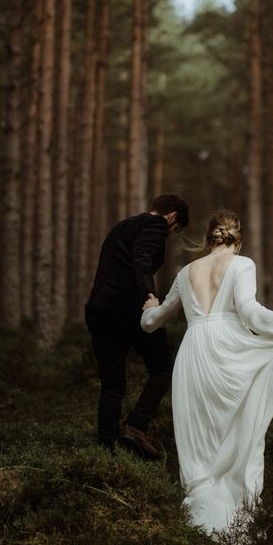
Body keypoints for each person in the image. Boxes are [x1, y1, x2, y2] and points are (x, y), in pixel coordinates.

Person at [141, 210, 273, 535]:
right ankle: (238, 518)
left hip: (193, 355)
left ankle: (200, 523)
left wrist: (149, 308)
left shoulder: (185, 272)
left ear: (209, 238)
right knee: (240, 431)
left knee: (200, 442)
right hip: (228, 352)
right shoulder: (242, 264)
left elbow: (153, 323)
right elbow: (250, 314)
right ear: (237, 240)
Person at [85, 194, 189, 460]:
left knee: (112, 385)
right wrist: (150, 297)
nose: (170, 234)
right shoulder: (154, 226)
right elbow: (141, 261)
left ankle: (106, 454)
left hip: (99, 310)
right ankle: (136, 425)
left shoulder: (122, 226)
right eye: (174, 231)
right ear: (172, 217)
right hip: (129, 311)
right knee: (163, 368)